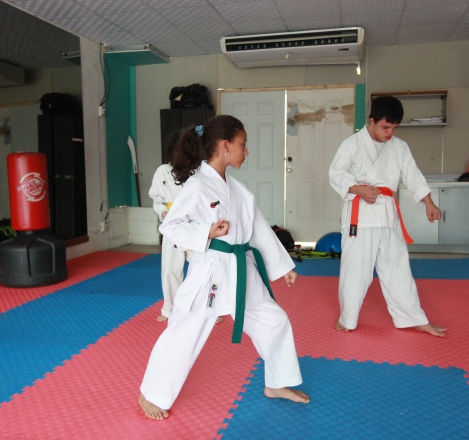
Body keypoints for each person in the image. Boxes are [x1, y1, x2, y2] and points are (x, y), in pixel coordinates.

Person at [138, 116, 309, 420]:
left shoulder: (239, 191)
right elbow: (171, 226)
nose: (246, 151)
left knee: (275, 321)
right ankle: (151, 394)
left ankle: (277, 383)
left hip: (241, 269)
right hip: (211, 271)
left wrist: (283, 266)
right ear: (224, 146)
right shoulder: (197, 186)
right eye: (243, 145)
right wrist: (207, 231)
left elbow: (258, 230)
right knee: (185, 332)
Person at [328, 96, 446, 338]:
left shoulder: (400, 147)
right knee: (356, 269)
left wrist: (429, 203)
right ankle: (348, 318)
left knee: (398, 267)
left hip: (387, 213)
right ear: (372, 121)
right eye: (385, 127)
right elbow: (335, 172)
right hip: (359, 216)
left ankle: (412, 318)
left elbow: (413, 176)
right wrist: (359, 189)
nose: (390, 132)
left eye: (394, 128)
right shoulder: (352, 144)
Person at [148, 131, 187, 322]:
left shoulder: (199, 172)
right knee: (170, 270)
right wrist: (162, 210)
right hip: (172, 226)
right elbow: (156, 198)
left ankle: (208, 310)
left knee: (204, 269)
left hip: (196, 226)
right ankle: (170, 310)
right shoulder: (162, 171)